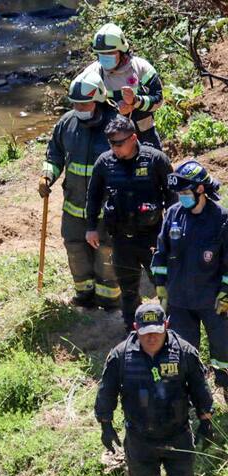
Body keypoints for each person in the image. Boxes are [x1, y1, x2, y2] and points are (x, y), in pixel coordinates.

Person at [95, 303, 214, 476]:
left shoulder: (184, 352)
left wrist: (206, 421)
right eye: (145, 331)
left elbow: (200, 389)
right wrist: (105, 424)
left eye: (157, 331)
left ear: (166, 326)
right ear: (136, 328)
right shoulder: (120, 355)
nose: (151, 337)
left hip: (177, 436)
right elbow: (107, 391)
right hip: (140, 440)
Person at [41, 71, 121, 308]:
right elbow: (54, 153)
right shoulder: (67, 123)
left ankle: (109, 303)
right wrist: (47, 175)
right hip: (74, 207)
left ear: (98, 100)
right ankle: (84, 297)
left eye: (83, 103)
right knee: (76, 250)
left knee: (107, 253)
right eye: (74, 103)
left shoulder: (116, 125)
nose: (78, 107)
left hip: (107, 211)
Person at [85, 116, 174, 331]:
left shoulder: (155, 160)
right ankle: (133, 329)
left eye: (119, 143)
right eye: (111, 143)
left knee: (163, 283)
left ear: (133, 138)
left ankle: (172, 325)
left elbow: (172, 195)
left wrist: (172, 229)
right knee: (128, 288)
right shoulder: (104, 163)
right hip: (121, 239)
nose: (114, 148)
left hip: (153, 237)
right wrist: (90, 228)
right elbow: (94, 196)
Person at [152, 160, 228, 402]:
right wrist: (161, 286)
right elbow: (161, 252)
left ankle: (225, 385)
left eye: (186, 193)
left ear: (200, 190)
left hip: (212, 301)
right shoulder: (174, 214)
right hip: (179, 300)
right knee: (182, 350)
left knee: (223, 348)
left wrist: (226, 292)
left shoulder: (221, 219)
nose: (182, 198)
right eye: (179, 194)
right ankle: (191, 396)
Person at [83, 23, 164, 149]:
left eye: (110, 52)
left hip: (145, 136)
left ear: (122, 51)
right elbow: (84, 109)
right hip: (110, 141)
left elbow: (158, 100)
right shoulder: (91, 75)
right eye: (101, 54)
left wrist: (135, 101)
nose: (105, 57)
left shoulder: (141, 68)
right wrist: (116, 112)